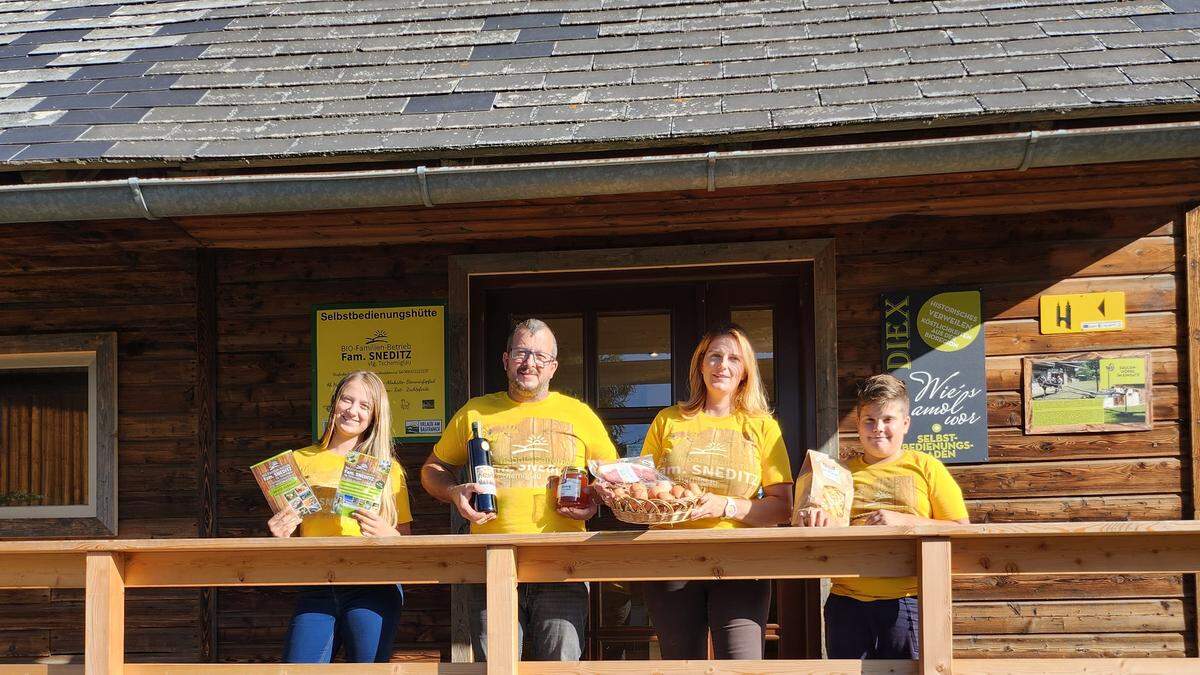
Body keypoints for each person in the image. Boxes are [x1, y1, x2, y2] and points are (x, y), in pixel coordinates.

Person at [420, 318, 618, 662]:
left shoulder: (580, 415)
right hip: (491, 561)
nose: (530, 363)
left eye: (541, 356)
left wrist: (594, 501)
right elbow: (432, 469)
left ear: (553, 367)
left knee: (561, 669)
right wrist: (453, 492)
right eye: (521, 353)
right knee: (495, 668)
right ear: (505, 359)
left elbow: (613, 477)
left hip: (562, 564)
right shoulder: (475, 412)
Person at [637, 324, 793, 660]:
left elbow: (782, 507)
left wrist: (726, 506)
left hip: (740, 561)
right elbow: (644, 488)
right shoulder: (668, 420)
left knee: (741, 667)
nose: (723, 365)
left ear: (745, 372)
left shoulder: (762, 426)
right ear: (701, 365)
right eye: (715, 356)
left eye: (733, 359)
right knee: (681, 668)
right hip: (672, 561)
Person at [795, 373, 969, 660]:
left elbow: (961, 529)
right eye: (870, 421)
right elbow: (817, 525)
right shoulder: (838, 473)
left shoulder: (926, 467)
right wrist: (812, 517)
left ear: (905, 424)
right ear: (858, 425)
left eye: (888, 419)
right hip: (846, 601)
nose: (878, 429)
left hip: (908, 600)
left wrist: (906, 521)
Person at [266, 370, 412, 663]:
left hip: (373, 585)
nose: (353, 410)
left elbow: (405, 541)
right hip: (317, 584)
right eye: (347, 399)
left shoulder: (388, 469)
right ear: (334, 403)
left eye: (364, 405)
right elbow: (293, 538)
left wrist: (388, 533)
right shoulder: (298, 460)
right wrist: (280, 533)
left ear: (374, 417)